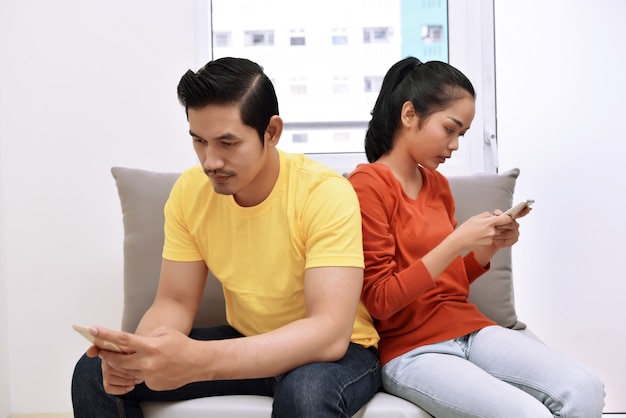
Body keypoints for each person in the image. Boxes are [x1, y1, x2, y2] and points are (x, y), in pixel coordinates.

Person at [71, 57, 381, 418]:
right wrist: (141, 353)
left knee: (306, 394)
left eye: (227, 143)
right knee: (93, 372)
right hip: (247, 337)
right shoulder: (190, 192)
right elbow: (175, 301)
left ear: (271, 132)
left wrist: (201, 361)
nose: (210, 161)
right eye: (199, 141)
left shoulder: (325, 193)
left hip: (340, 351)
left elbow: (327, 331)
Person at [348, 57, 605, 417]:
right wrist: (457, 241)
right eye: (449, 129)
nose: (454, 145)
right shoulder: (366, 186)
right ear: (409, 115)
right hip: (412, 349)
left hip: (471, 328)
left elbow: (448, 282)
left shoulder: (437, 185)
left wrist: (487, 248)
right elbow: (380, 300)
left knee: (585, 387)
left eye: (462, 134)